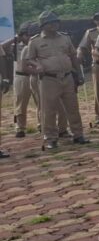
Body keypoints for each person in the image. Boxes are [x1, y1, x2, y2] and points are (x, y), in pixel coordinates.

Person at [24, 11, 88, 150]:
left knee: (72, 107)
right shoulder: (35, 41)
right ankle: (51, 138)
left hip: (67, 77)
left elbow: (73, 56)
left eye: (56, 22)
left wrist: (79, 74)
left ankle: (78, 134)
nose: (55, 25)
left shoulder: (65, 38)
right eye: (51, 23)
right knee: (49, 110)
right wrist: (38, 66)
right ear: (43, 25)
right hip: (48, 79)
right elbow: (29, 60)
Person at [5, 22, 41, 138]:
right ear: (22, 35)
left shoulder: (36, 43)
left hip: (35, 75)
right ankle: (20, 128)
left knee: (40, 101)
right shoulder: (16, 44)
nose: (29, 36)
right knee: (20, 103)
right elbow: (2, 47)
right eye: (27, 34)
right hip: (21, 76)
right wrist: (15, 39)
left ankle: (42, 124)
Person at [78, 12, 99, 124]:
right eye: (97, 19)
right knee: (98, 91)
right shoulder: (90, 33)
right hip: (98, 64)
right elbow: (82, 47)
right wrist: (80, 54)